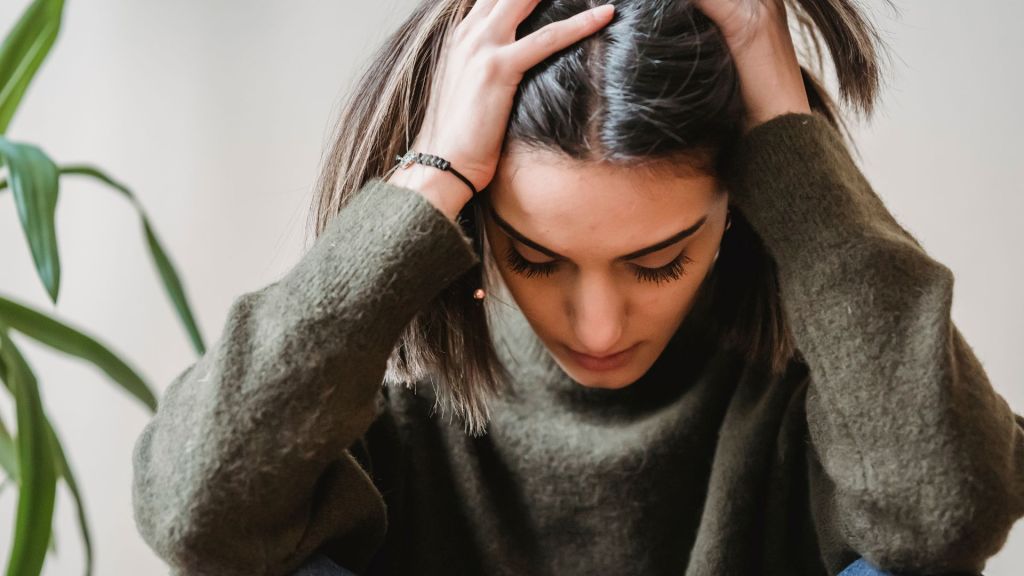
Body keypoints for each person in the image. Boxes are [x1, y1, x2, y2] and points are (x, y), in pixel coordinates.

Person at [130, 1, 1024, 575]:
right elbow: (195, 510)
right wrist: (431, 175)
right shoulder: (392, 425)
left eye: (657, 262)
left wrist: (786, 129)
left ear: (740, 209)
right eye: (537, 256)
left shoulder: (819, 422)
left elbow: (950, 511)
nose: (597, 326)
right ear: (478, 222)